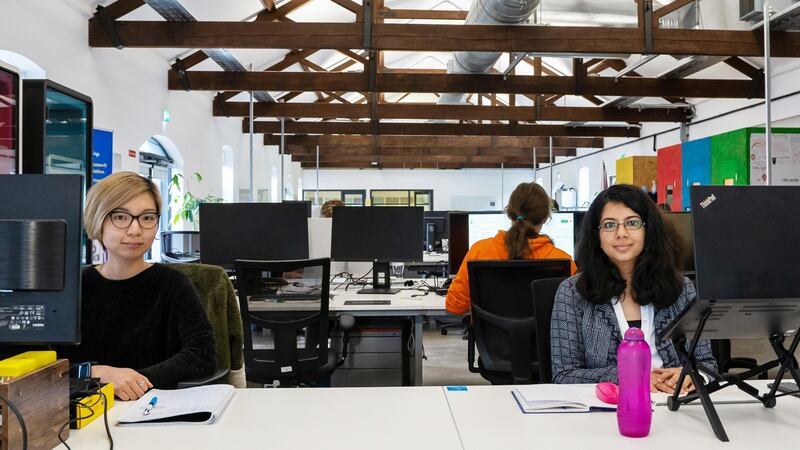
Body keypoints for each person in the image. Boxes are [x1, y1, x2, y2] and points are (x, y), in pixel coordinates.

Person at [59, 172, 216, 400]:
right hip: (80, 410)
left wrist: (134, 381)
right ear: (97, 219)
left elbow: (202, 355)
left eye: (147, 217)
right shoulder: (73, 288)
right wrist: (100, 373)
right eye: (121, 217)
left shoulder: (173, 285)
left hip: (154, 409)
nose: (135, 230)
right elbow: (44, 363)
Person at [550, 184, 717, 394]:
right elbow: (563, 375)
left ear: (649, 230)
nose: (621, 233)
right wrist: (629, 377)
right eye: (609, 225)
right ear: (597, 235)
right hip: (606, 410)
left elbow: (708, 365)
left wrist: (691, 375)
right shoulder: (573, 293)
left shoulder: (682, 290)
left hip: (675, 405)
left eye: (633, 223)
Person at [445, 182, 577, 315]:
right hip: (545, 336)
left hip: (493, 335)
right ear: (546, 217)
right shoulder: (563, 261)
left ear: (508, 212)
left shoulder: (480, 251)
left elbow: (454, 306)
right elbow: (575, 313)